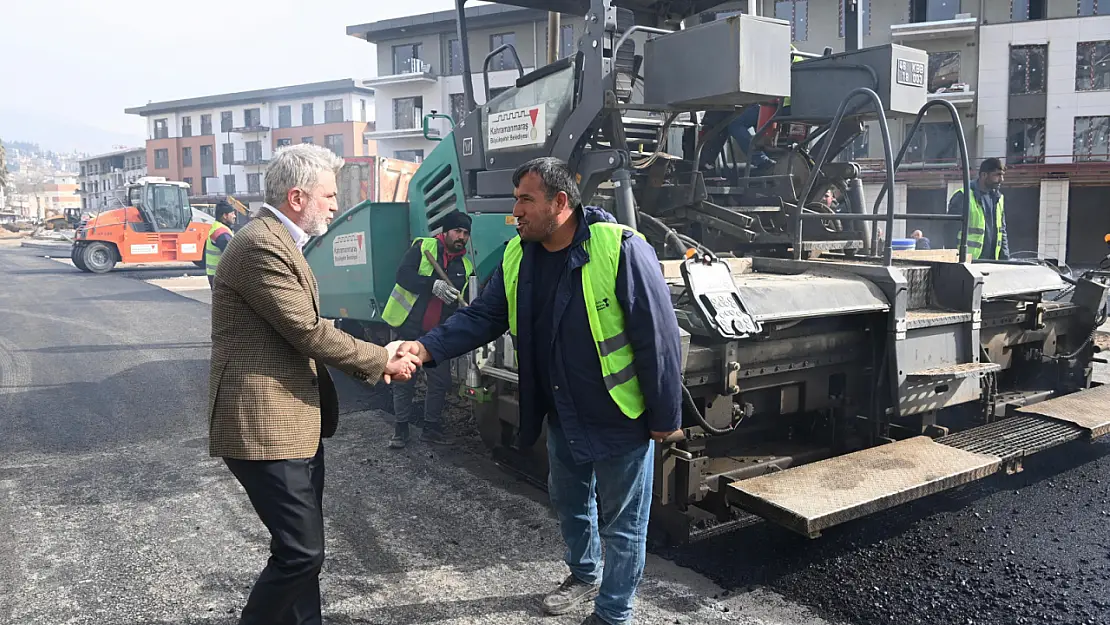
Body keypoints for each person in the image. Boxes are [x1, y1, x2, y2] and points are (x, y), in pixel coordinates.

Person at [392, 157, 683, 625]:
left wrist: (666, 417)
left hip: (619, 414)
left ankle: (613, 613)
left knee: (624, 525)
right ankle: (584, 576)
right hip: (560, 410)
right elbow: (482, 317)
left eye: (526, 200)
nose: (516, 212)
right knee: (570, 504)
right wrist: (424, 349)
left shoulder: (621, 247)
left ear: (560, 202)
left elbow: (659, 336)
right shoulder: (516, 254)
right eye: (515, 201)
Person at [208, 143, 422, 625]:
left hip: (292, 422)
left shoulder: (280, 241)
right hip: (264, 427)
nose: (335, 205)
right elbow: (306, 329)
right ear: (298, 196)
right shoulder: (261, 244)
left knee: (297, 551)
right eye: (329, 195)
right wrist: (381, 358)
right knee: (302, 553)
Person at [381, 210, 474, 448]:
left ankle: (430, 428)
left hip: (436, 336)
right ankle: (400, 429)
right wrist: (432, 284)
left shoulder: (465, 266)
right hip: (410, 329)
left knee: (440, 381)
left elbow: (459, 305)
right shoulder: (424, 249)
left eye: (465, 233)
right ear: (446, 231)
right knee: (404, 379)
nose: (461, 237)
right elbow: (403, 275)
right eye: (457, 231)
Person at [948, 158, 1008, 260]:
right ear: (984, 175)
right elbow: (949, 231)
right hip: (969, 262)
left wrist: (1005, 259)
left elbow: (1002, 232)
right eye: (997, 175)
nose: (1001, 179)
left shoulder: (998, 198)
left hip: (992, 262)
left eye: (1002, 175)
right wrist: (953, 261)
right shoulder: (963, 196)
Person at [205, 200, 237, 287]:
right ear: (225, 216)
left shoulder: (218, 228)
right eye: (232, 213)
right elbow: (234, 255)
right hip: (221, 277)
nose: (235, 216)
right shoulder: (221, 233)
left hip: (217, 275)